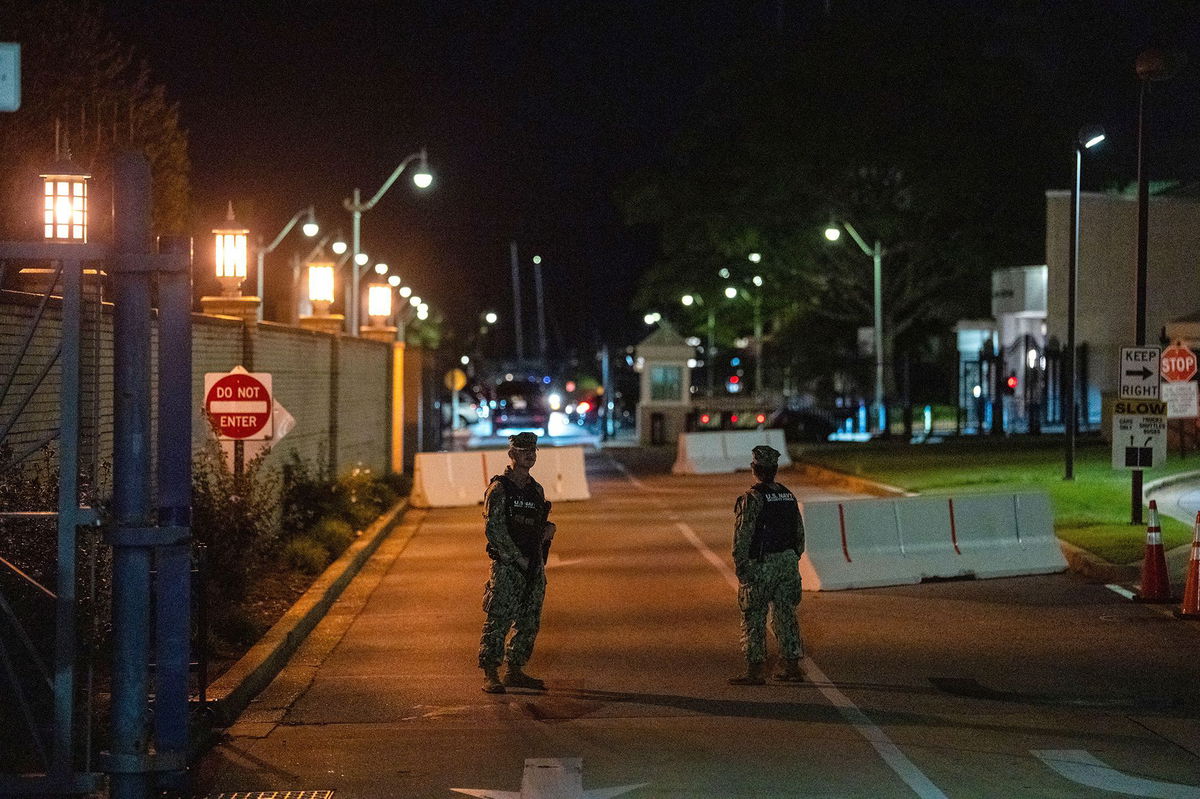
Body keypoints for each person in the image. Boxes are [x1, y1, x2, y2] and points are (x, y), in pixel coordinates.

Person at [478, 432, 556, 694]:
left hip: (532, 565)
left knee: (529, 619)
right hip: (508, 566)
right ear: (512, 455)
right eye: (524, 452)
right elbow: (494, 530)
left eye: (532, 452)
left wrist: (547, 529)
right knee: (499, 618)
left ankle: (515, 670)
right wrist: (516, 558)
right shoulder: (500, 489)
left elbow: (534, 524)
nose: (529, 456)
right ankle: (491, 672)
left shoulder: (536, 490)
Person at [729, 444, 806, 685]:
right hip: (787, 563)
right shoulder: (787, 495)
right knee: (785, 614)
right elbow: (799, 534)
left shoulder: (751, 499)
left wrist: (742, 567)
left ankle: (755, 671)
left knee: (753, 616)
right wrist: (792, 559)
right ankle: (792, 667)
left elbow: (742, 536)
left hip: (761, 565)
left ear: (755, 468)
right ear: (774, 470)